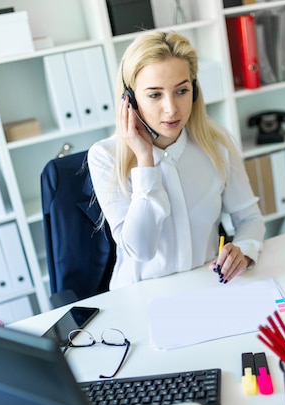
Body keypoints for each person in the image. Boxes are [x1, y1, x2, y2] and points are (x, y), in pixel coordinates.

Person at [88, 31, 264, 290]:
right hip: (141, 295)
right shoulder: (106, 156)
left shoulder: (216, 143)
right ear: (130, 99)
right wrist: (145, 160)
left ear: (194, 91)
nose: (171, 109)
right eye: (155, 95)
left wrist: (244, 251)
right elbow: (141, 250)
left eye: (181, 90)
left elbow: (250, 218)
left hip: (207, 286)